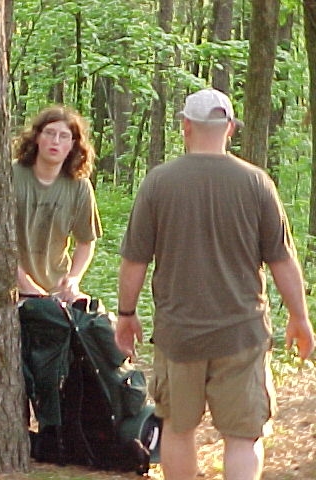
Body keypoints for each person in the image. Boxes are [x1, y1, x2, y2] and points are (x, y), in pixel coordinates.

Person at [115, 88, 315, 480]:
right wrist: (300, 317)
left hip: (179, 334)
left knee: (177, 428)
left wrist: (126, 314)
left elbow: (135, 260)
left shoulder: (159, 182)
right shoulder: (256, 183)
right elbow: (282, 260)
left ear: (186, 126)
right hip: (241, 334)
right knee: (243, 436)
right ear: (230, 129)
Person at [13, 105, 102, 304]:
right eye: (50, 133)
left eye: (63, 136)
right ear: (37, 137)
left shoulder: (79, 186)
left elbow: (86, 241)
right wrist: (26, 285)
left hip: (56, 288)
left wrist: (73, 279)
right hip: (11, 287)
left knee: (98, 320)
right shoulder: (12, 176)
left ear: (72, 144)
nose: (55, 141)